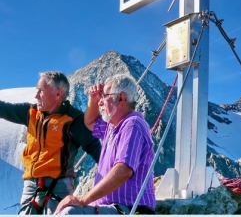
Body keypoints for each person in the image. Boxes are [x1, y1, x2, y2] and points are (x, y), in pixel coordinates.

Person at [0, 71, 101, 214]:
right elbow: (3, 109)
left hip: (59, 186)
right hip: (30, 185)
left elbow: (95, 149)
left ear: (58, 94)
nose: (36, 96)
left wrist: (111, 179)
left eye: (41, 91)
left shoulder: (74, 119)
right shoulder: (30, 113)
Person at [54, 74, 155, 215]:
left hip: (129, 208)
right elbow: (89, 122)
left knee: (70, 213)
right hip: (111, 208)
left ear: (121, 98)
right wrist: (93, 99)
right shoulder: (112, 126)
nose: (100, 103)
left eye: (105, 96)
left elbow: (123, 170)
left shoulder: (132, 125)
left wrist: (83, 199)